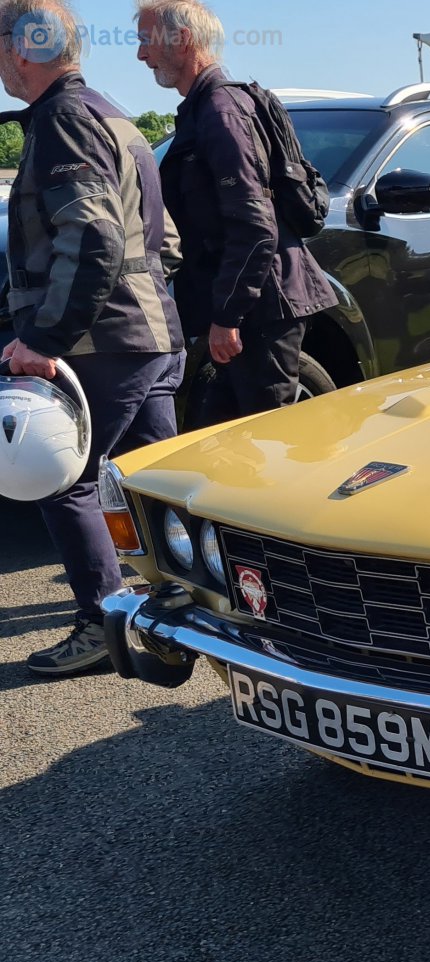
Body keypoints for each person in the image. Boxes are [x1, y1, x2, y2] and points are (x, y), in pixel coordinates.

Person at [0, 0, 186, 675]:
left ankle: (101, 620)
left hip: (102, 344)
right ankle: (184, 607)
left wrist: (45, 338)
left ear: (29, 44)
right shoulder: (111, 114)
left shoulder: (63, 121)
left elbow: (95, 237)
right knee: (160, 482)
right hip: (151, 333)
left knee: (63, 480)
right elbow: (162, 239)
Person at [135, 0, 335, 424]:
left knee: (273, 440)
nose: (141, 55)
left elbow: (255, 226)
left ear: (182, 40)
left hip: (261, 313)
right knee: (230, 440)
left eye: (146, 42)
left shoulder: (222, 112)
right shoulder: (204, 109)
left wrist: (228, 317)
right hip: (246, 311)